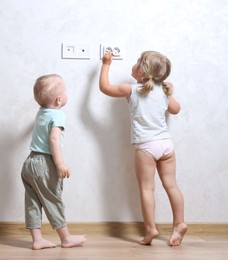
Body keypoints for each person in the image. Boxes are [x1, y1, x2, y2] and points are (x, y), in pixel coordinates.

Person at [99, 50, 188, 246]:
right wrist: (170, 93)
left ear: (142, 71)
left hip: (146, 146)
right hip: (166, 145)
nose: (135, 63)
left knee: (147, 188)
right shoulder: (164, 92)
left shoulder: (131, 89)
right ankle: (179, 223)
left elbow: (104, 87)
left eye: (138, 60)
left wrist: (106, 63)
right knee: (172, 186)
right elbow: (176, 109)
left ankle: (150, 230)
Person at [21, 74, 87, 250]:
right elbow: (54, 140)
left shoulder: (41, 113)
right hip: (44, 163)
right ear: (59, 99)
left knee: (33, 201)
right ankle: (65, 238)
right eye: (65, 91)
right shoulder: (58, 115)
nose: (66, 94)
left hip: (29, 162)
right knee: (53, 199)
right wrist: (59, 164)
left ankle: (37, 240)